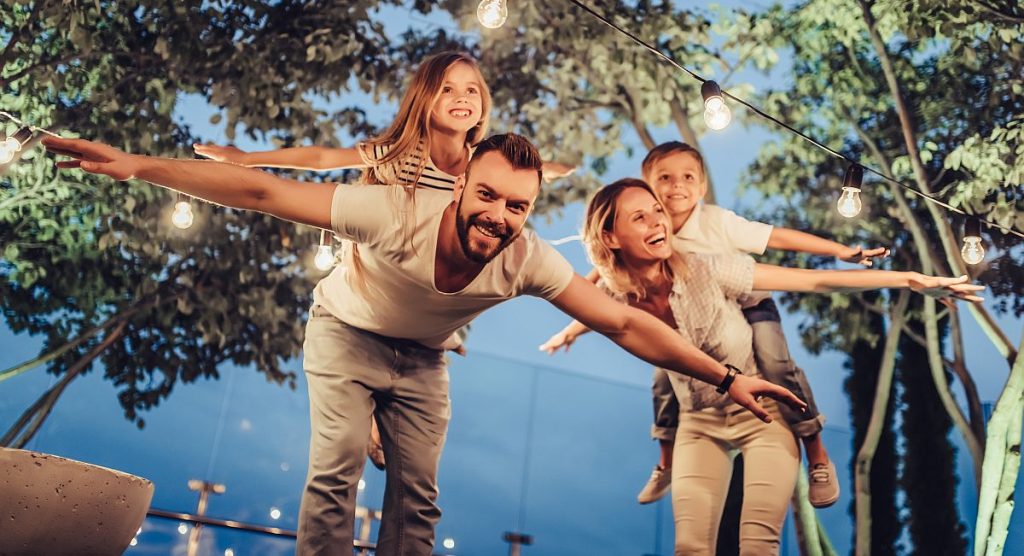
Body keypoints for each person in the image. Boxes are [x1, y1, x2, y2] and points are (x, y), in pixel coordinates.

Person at [43, 132, 806, 556]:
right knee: (336, 472)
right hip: (345, 333)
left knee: (418, 502)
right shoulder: (393, 211)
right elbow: (262, 191)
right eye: (488, 196)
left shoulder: (526, 255)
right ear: (461, 186)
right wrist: (138, 165)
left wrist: (728, 375)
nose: (499, 216)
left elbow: (626, 324)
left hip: (423, 361)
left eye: (518, 205)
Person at [540, 179, 982, 555]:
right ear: (611, 237)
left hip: (763, 416)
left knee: (758, 545)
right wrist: (566, 333)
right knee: (690, 547)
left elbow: (812, 281)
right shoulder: (611, 300)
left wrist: (907, 279)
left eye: (657, 210)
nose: (658, 220)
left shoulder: (707, 269)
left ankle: (814, 452)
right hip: (699, 422)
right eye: (639, 217)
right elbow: (551, 283)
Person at [195, 50, 573, 471]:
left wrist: (555, 168)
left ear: (484, 101)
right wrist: (247, 159)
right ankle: (374, 415)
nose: (461, 97)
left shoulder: (482, 164)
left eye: (471, 89)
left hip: (427, 286)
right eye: (447, 89)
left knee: (468, 274)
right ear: (424, 99)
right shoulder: (400, 152)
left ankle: (396, 404)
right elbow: (322, 159)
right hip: (380, 268)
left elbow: (527, 177)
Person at [570, 141, 887, 507]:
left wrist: (838, 251)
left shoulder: (716, 221)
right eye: (665, 179)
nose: (677, 187)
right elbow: (607, 275)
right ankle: (666, 463)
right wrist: (573, 327)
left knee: (776, 364)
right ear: (647, 185)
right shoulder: (646, 225)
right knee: (663, 378)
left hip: (750, 300)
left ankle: (815, 449)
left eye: (688, 177)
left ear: (702, 187)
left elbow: (775, 237)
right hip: (702, 316)